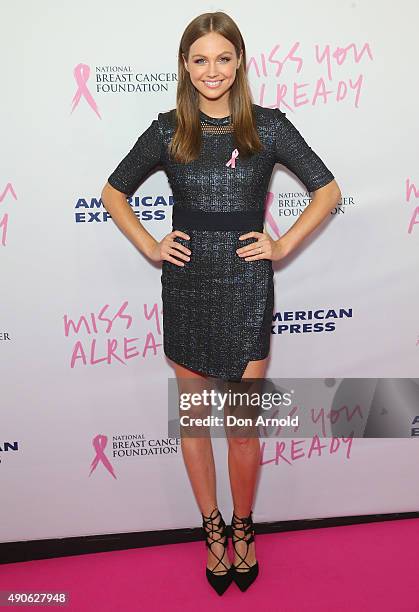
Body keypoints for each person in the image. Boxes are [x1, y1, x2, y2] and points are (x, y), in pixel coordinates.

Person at [101, 11, 341, 596]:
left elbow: (328, 190)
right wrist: (152, 244)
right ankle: (212, 532)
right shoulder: (167, 131)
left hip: (247, 290)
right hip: (185, 289)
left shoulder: (267, 128)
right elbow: (113, 192)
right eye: (200, 59)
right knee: (192, 422)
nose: (212, 70)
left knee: (238, 428)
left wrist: (281, 243)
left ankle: (243, 527)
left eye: (223, 58)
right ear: (186, 66)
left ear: (239, 62)